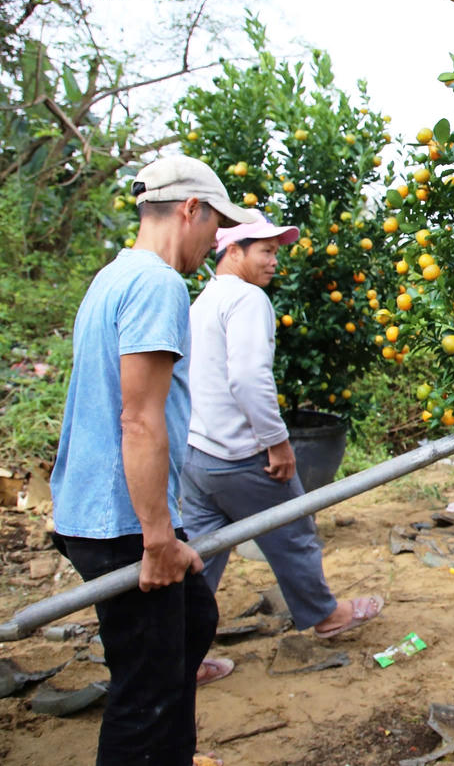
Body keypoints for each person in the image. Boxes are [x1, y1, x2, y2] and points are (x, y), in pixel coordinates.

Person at [49, 155, 258, 765]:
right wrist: (158, 538)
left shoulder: (115, 274)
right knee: (146, 698)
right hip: (121, 521)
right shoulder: (157, 283)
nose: (215, 240)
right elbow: (138, 419)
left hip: (97, 509)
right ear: (188, 208)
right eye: (214, 224)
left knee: (193, 618)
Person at [180, 209, 384, 650]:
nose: (275, 262)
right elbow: (249, 380)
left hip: (197, 456)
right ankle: (327, 615)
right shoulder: (248, 300)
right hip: (241, 456)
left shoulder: (203, 300)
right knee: (294, 534)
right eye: (266, 251)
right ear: (232, 250)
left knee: (198, 558)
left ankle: (178, 654)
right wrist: (277, 444)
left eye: (276, 252)